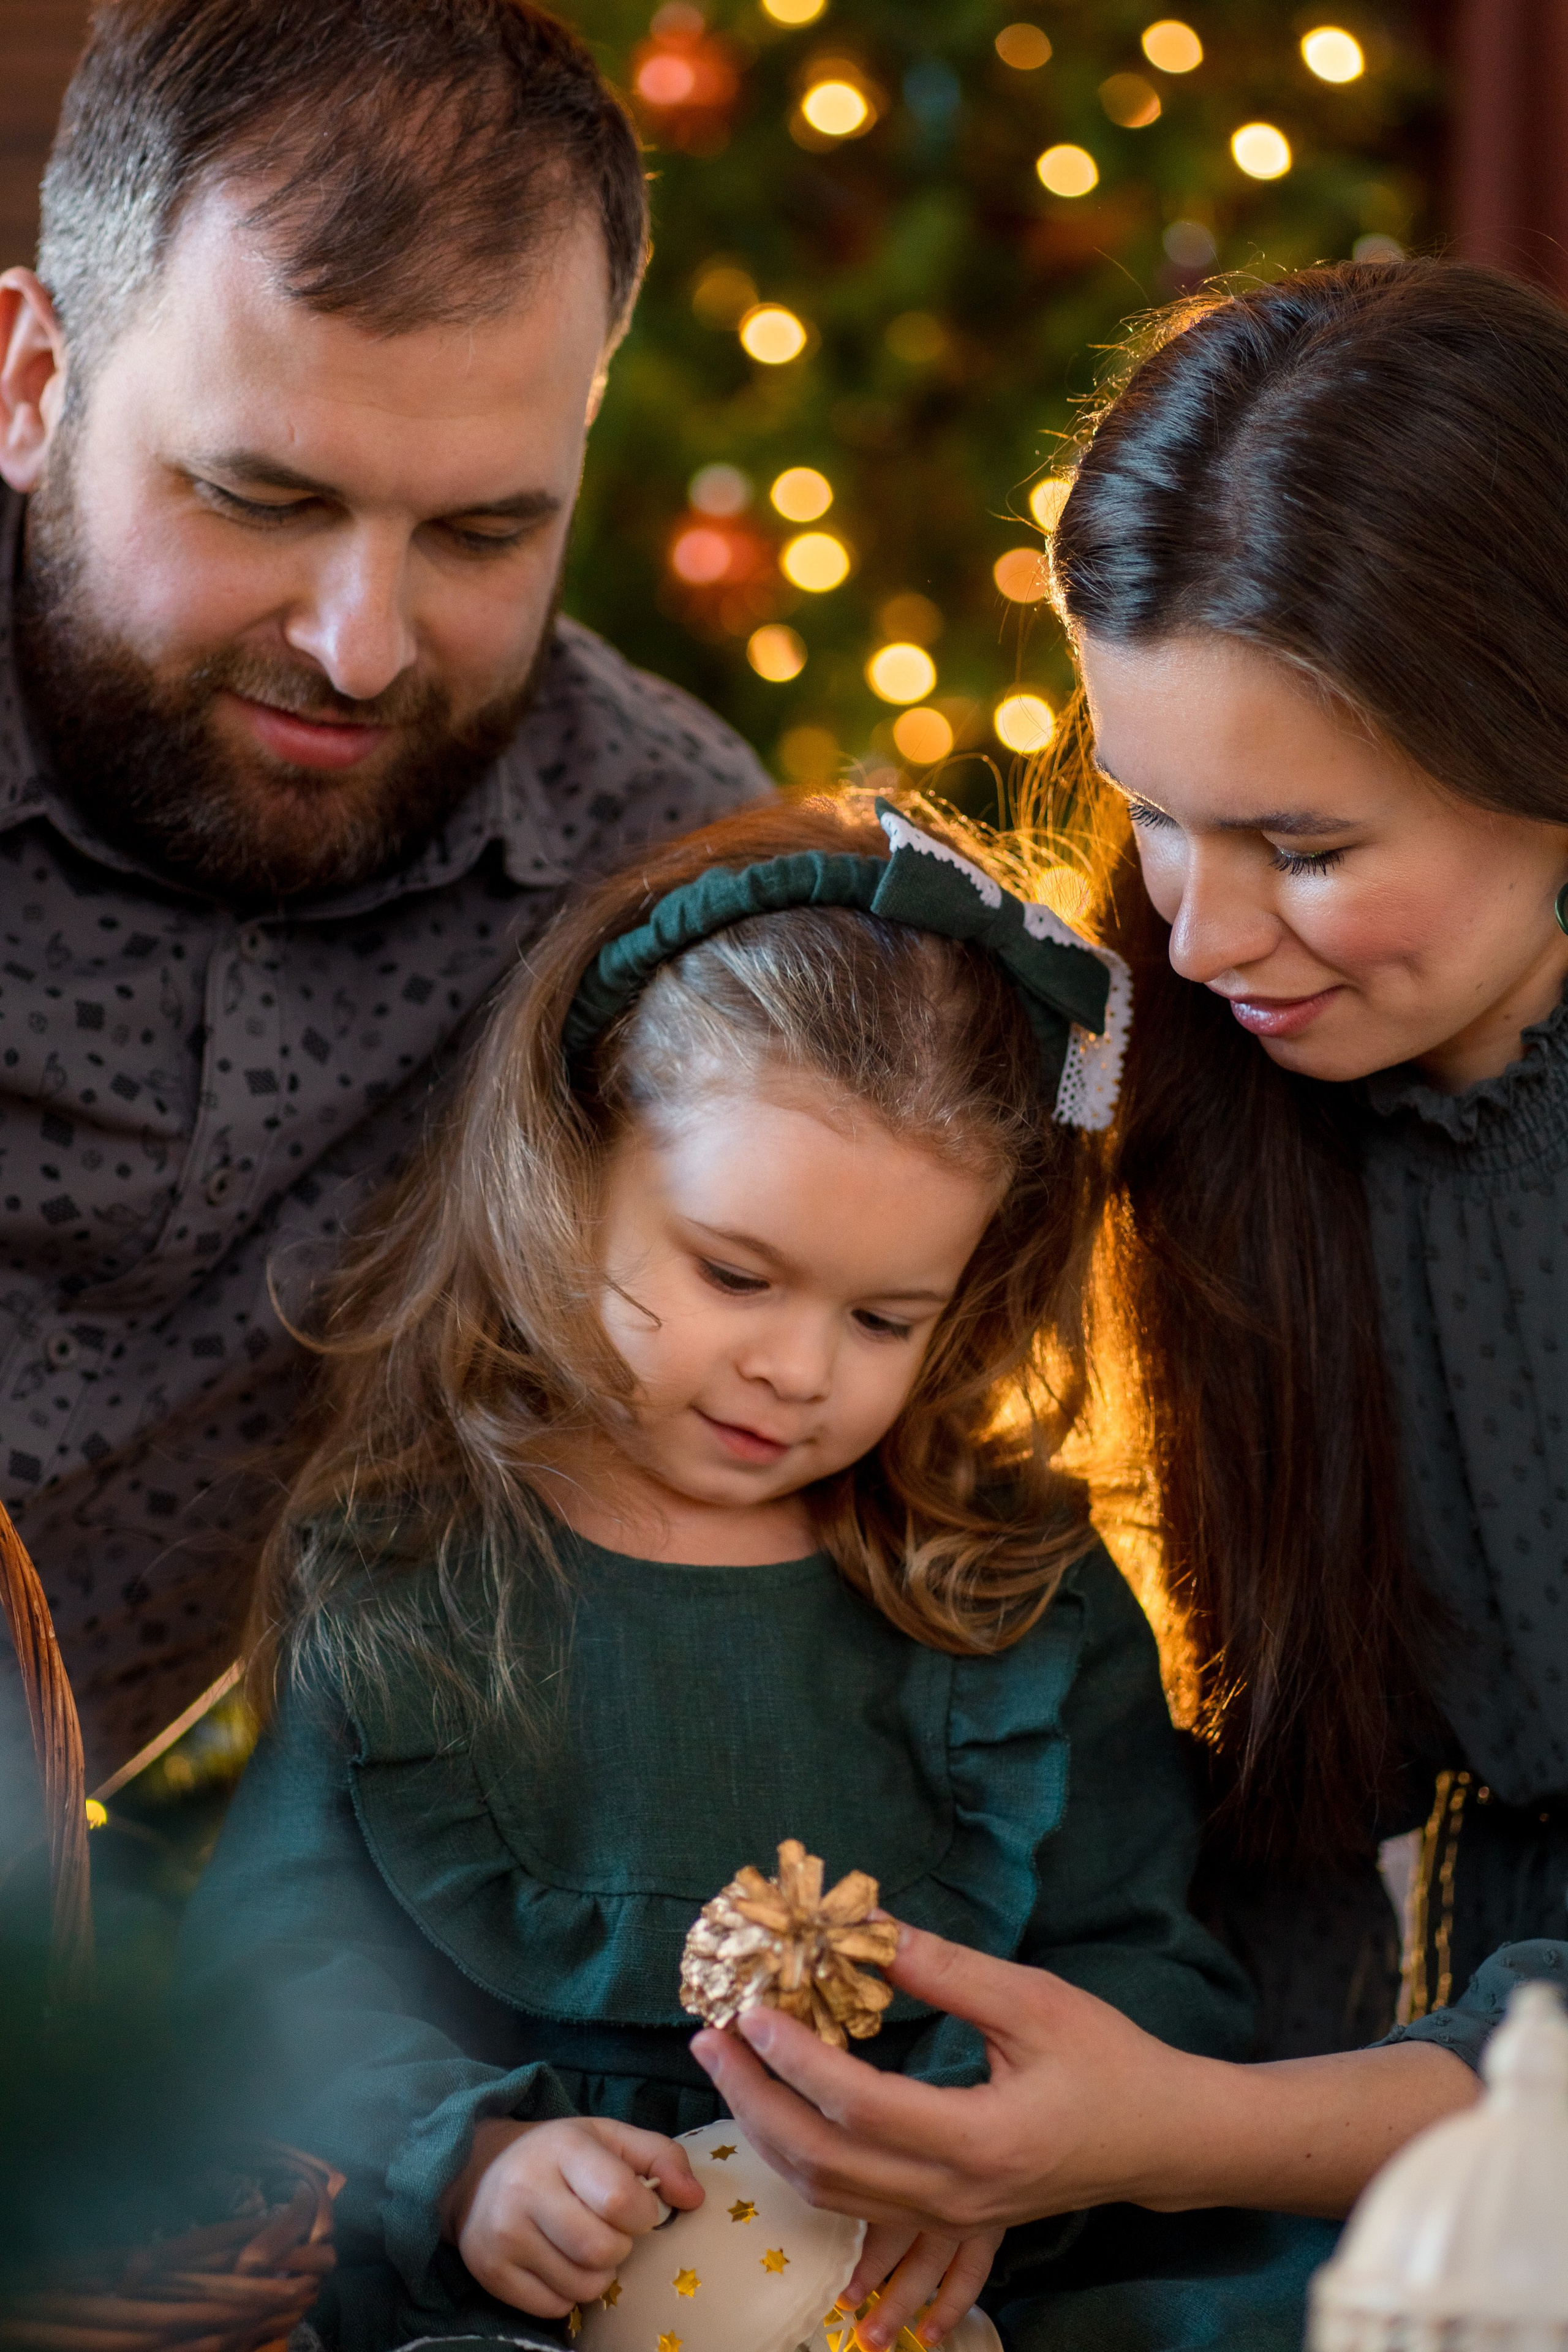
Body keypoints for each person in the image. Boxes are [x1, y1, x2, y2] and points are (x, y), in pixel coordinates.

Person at [690, 259, 1568, 2349]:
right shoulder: (1197, 1068)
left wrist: (1179, 2135)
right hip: (1357, 2099)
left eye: (1307, 843)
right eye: (1152, 814)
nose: (1208, 928)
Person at [176, 794, 1251, 2352]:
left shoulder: (1012, 1588)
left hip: (917, 2290)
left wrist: (985, 2167)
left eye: (884, 1319)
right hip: (510, 2303)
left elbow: (1142, 1961)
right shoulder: (416, 1565)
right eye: (734, 1274)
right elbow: (275, 1980)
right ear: (573, 1159)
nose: (796, 1370)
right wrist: (470, 2167)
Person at [0, 0, 771, 1823]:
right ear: (32, 385)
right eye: (263, 496)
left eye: (486, 534)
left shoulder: (653, 874)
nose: (363, 645)